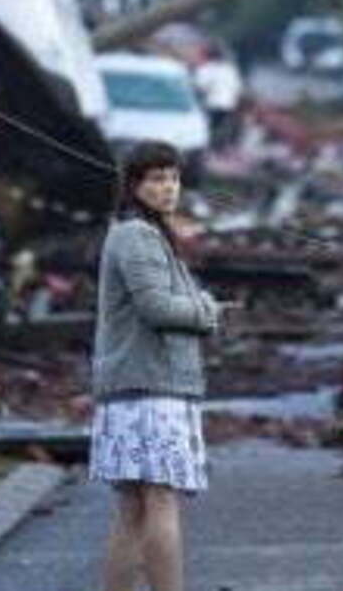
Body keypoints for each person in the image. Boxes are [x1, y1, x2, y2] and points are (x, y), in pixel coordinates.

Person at [90, 140, 222, 591]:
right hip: (152, 388)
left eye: (173, 178)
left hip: (135, 386)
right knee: (159, 501)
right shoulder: (137, 235)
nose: (169, 188)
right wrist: (207, 310)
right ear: (133, 185)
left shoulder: (140, 232)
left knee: (133, 509)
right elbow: (157, 308)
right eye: (156, 179)